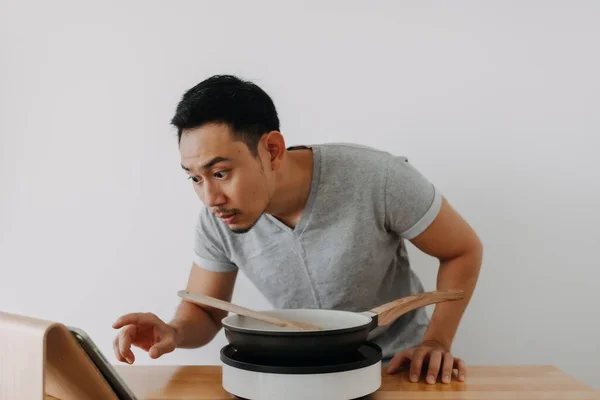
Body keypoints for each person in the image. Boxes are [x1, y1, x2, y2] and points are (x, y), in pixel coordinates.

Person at [111, 74, 483, 385]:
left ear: (272, 149)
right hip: (301, 376)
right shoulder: (216, 219)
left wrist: (436, 342)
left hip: (401, 371)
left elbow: (461, 249)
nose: (210, 197)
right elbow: (206, 312)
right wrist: (173, 331)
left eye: (220, 173)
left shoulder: (378, 179)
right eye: (195, 178)